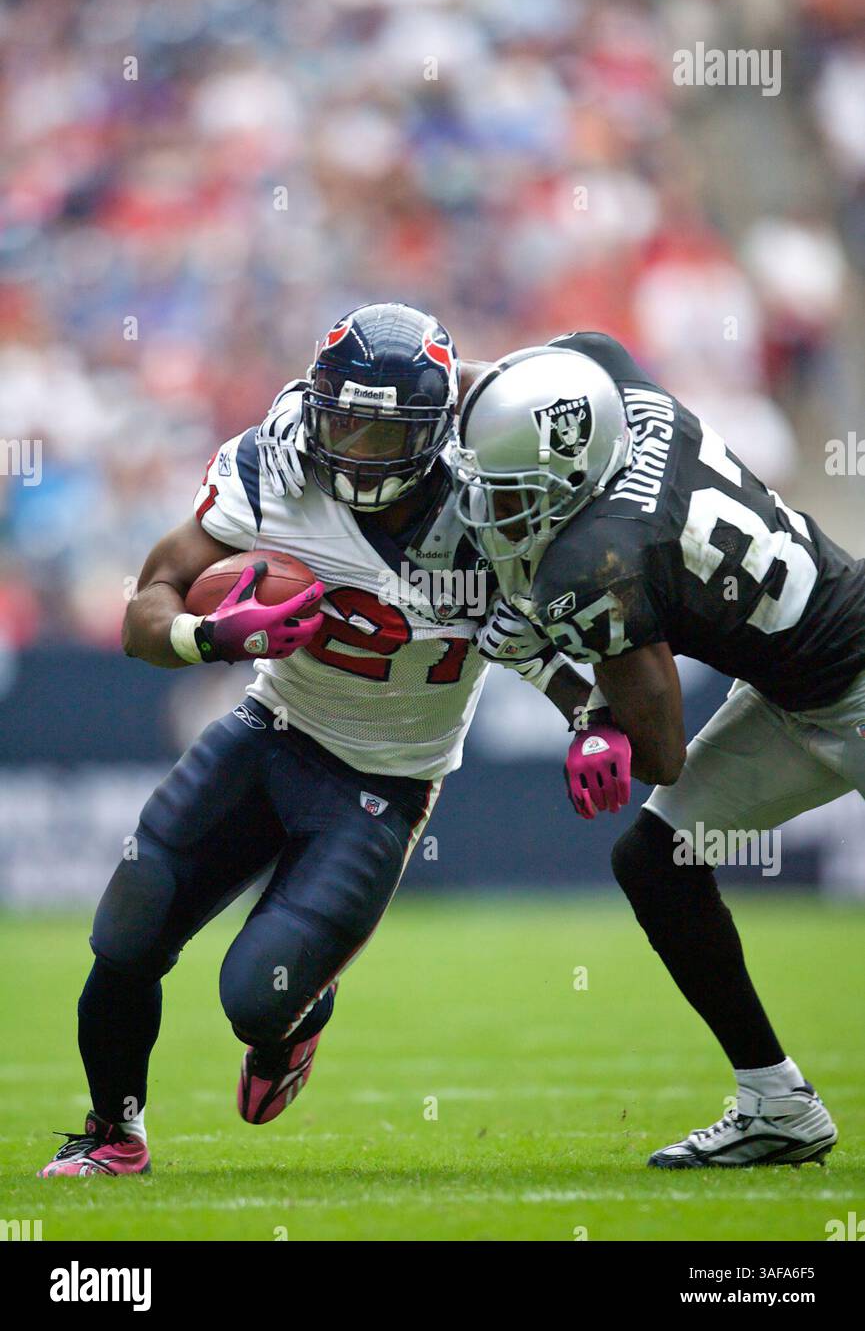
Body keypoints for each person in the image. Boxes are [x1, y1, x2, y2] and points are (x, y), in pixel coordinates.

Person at [38, 303, 592, 1179]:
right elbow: (149, 606)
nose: (355, 449)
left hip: (382, 785)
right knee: (128, 929)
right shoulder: (273, 463)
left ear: (436, 431)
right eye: (343, 422)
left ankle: (296, 1025)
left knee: (258, 999)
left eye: (383, 433)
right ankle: (113, 1131)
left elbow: (551, 633)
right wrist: (212, 638)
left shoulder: (489, 498)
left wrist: (590, 717)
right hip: (269, 730)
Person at [456, 330, 865, 1168]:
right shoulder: (617, 386)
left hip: (848, 683)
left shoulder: (591, 558)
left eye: (512, 494)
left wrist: (548, 674)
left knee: (655, 842)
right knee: (656, 860)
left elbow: (660, 754)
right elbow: (541, 371)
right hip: (797, 683)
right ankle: (775, 1104)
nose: (492, 511)